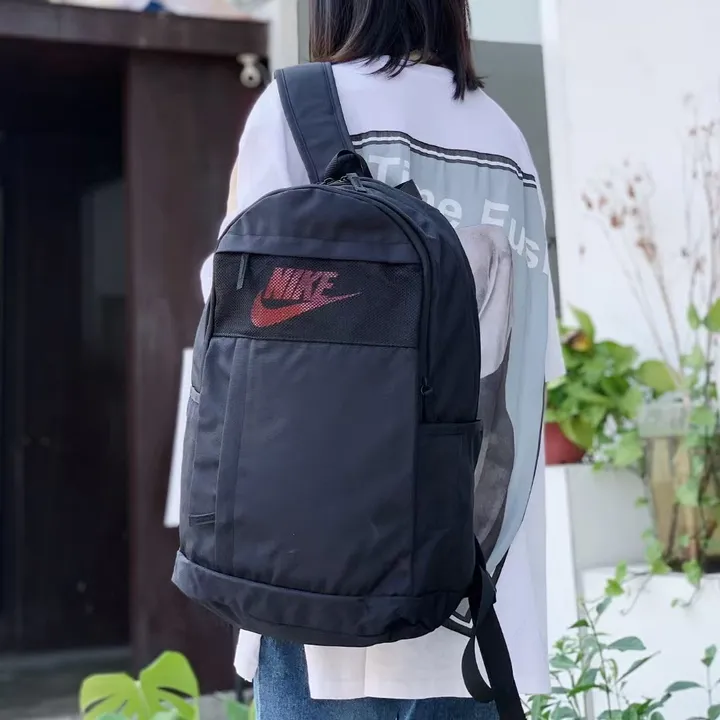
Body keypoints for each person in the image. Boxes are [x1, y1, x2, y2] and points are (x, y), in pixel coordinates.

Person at [200, 1, 564, 718]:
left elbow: (228, 306)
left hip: (319, 581)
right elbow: (530, 358)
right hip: (472, 598)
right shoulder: (504, 139)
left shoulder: (297, 109)